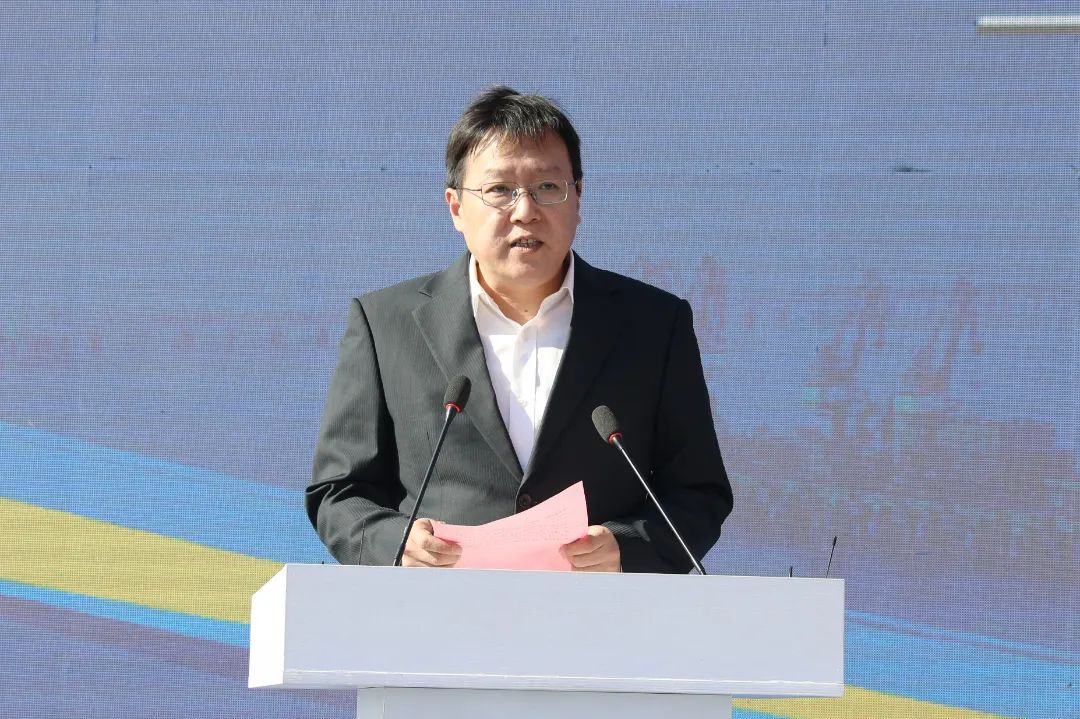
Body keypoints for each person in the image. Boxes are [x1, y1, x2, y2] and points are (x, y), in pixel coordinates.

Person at [306, 86, 732, 573]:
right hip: (438, 608)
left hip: (599, 610)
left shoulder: (653, 324)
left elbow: (698, 493)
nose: (525, 210)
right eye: (499, 190)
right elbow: (339, 492)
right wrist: (396, 543)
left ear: (578, 197)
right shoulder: (385, 324)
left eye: (547, 187)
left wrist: (628, 546)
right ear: (455, 207)